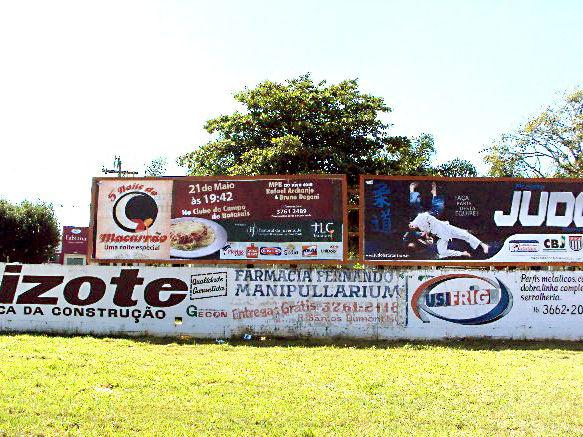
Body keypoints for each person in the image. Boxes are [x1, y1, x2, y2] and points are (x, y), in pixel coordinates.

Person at [408, 211, 489, 258]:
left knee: (465, 235)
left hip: (445, 228)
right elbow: (429, 234)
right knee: (442, 252)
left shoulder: (420, 217)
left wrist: (428, 231)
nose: (412, 226)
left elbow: (429, 217)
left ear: (411, 222)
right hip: (441, 236)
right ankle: (463, 253)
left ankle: (483, 245)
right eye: (412, 228)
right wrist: (428, 235)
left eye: (411, 225)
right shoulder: (420, 227)